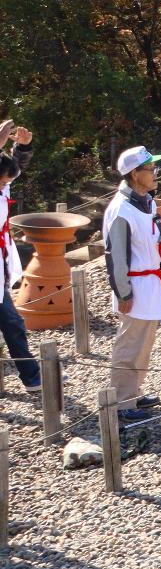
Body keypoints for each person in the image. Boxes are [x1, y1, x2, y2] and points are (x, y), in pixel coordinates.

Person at [103, 145, 161, 414]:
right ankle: (122, 400)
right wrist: (124, 293)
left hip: (150, 282)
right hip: (134, 284)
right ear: (134, 174)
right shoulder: (121, 210)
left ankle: (134, 392)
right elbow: (116, 256)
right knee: (130, 343)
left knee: (144, 342)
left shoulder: (147, 201)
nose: (156, 173)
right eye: (151, 169)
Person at [0, 126, 41, 394]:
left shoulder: (2, 187)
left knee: (12, 323)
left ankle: (33, 377)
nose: (6, 184)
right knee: (12, 323)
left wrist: (22, 148)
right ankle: (33, 377)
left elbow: (13, 172)